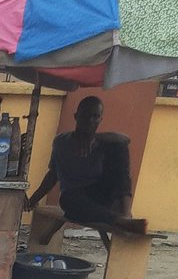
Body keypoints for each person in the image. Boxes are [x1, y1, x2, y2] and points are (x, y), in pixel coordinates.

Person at [26, 96, 144, 234]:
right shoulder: (61, 142)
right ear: (76, 116)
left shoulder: (105, 142)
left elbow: (125, 139)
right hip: (77, 199)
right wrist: (33, 199)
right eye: (85, 115)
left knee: (119, 148)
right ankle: (119, 221)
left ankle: (125, 215)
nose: (90, 121)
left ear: (101, 119)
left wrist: (95, 138)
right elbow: (53, 174)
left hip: (102, 194)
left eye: (95, 116)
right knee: (66, 199)